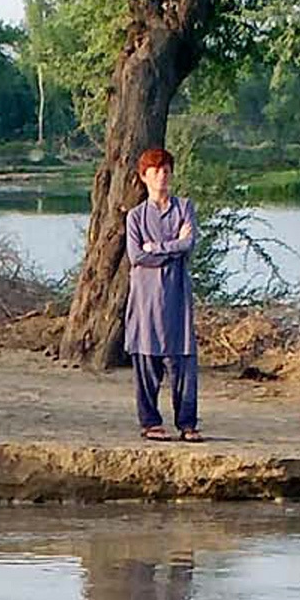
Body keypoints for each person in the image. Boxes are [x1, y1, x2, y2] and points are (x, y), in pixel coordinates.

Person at [123, 145, 201, 441]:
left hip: (177, 300)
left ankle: (187, 424)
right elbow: (136, 257)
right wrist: (172, 247)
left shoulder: (184, 207)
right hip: (145, 301)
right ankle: (150, 422)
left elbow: (189, 243)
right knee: (146, 360)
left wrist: (156, 247)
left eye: (166, 171)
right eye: (155, 171)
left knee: (183, 363)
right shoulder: (135, 217)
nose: (162, 177)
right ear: (144, 176)